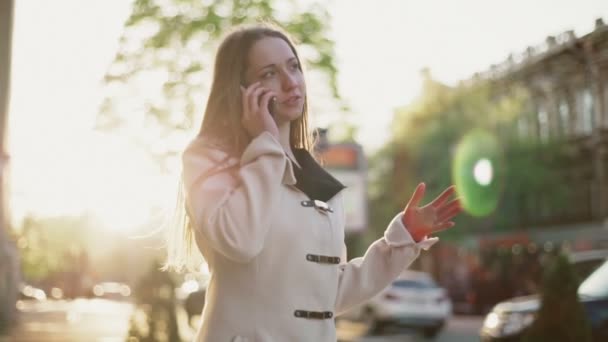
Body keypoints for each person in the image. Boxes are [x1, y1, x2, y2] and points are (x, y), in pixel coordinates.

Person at [165, 23, 461, 342]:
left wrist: (401, 240)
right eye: (269, 73)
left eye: (294, 67)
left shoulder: (318, 179)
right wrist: (265, 144)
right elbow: (240, 240)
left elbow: (325, 295)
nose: (291, 82)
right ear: (240, 89)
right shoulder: (209, 158)